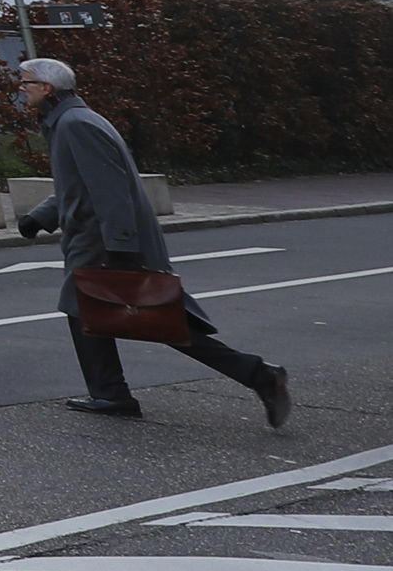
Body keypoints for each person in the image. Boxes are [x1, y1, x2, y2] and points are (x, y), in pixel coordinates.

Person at [15, 59, 290, 427]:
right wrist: (41, 217)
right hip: (96, 236)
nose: (21, 88)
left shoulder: (76, 124)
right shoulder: (70, 121)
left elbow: (111, 188)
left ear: (47, 88)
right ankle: (111, 393)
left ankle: (255, 374)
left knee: (143, 317)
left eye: (26, 82)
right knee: (106, 312)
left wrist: (122, 244)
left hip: (102, 239)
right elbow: (79, 183)